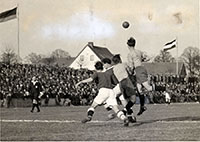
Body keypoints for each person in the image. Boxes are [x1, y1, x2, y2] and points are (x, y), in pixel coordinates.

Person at [75, 61, 129, 126]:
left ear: (95, 68)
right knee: (115, 109)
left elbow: (90, 79)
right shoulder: (108, 74)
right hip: (111, 91)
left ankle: (89, 116)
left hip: (103, 90)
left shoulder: (97, 73)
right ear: (102, 67)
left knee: (93, 106)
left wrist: (81, 82)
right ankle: (124, 118)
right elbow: (115, 82)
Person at [126, 37, 153, 115]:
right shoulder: (139, 51)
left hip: (138, 70)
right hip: (142, 68)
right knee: (139, 89)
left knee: (148, 88)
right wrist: (141, 60)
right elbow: (146, 58)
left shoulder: (130, 54)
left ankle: (165, 89)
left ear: (128, 45)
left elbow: (131, 66)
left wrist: (130, 72)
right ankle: (142, 107)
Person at [111, 54, 137, 123]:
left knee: (127, 100)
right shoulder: (123, 65)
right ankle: (125, 111)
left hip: (121, 84)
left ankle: (129, 116)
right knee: (133, 99)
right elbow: (130, 72)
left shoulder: (114, 69)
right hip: (127, 81)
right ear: (119, 60)